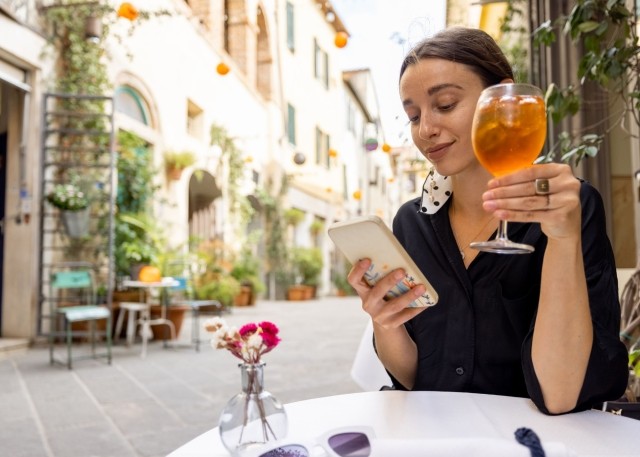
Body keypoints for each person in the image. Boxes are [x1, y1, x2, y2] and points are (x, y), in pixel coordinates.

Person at [347, 27, 629, 415]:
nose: (425, 129)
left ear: (502, 99)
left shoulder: (567, 207)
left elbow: (560, 395)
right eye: (413, 115)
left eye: (444, 104)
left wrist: (563, 241)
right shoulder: (412, 222)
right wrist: (385, 320)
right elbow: (415, 380)